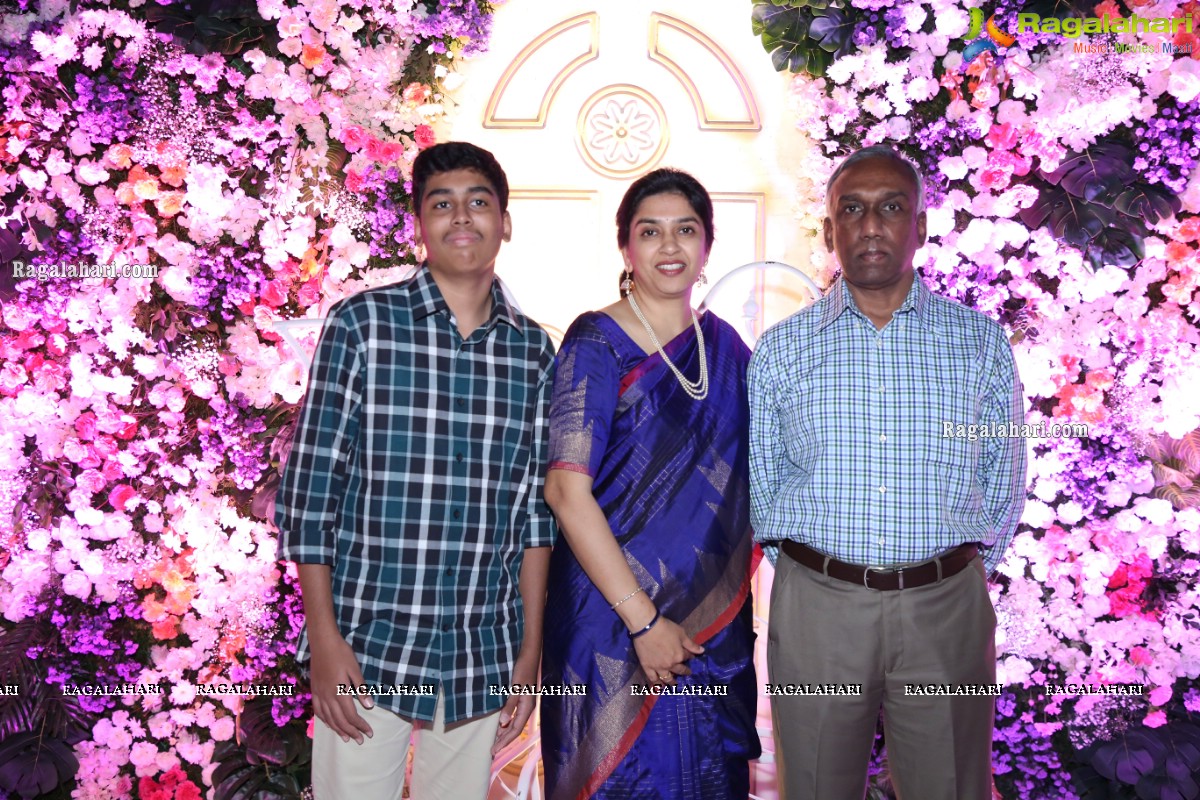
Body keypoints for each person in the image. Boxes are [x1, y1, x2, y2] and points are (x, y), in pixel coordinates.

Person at [275, 141, 556, 800]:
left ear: (505, 221)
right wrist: (325, 642)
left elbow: (535, 521)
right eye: (442, 204)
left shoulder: (533, 353)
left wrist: (528, 651)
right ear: (418, 224)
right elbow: (311, 495)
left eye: (479, 202)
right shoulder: (363, 326)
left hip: (480, 649)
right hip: (369, 644)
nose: (462, 217)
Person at [748, 145, 1027, 800]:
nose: (871, 224)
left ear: (921, 228)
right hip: (819, 609)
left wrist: (952, 580)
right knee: (813, 785)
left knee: (951, 787)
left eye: (891, 207)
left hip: (945, 609)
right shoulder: (782, 348)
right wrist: (814, 581)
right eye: (853, 209)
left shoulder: (979, 342)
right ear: (830, 231)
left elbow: (1005, 474)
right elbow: (764, 486)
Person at [540, 168, 761, 800]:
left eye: (685, 230)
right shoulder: (595, 342)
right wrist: (643, 623)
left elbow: (751, 479)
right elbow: (565, 492)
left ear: (707, 247)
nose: (669, 247)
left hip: (707, 625)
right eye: (650, 231)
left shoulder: (726, 349)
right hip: (611, 623)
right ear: (626, 248)